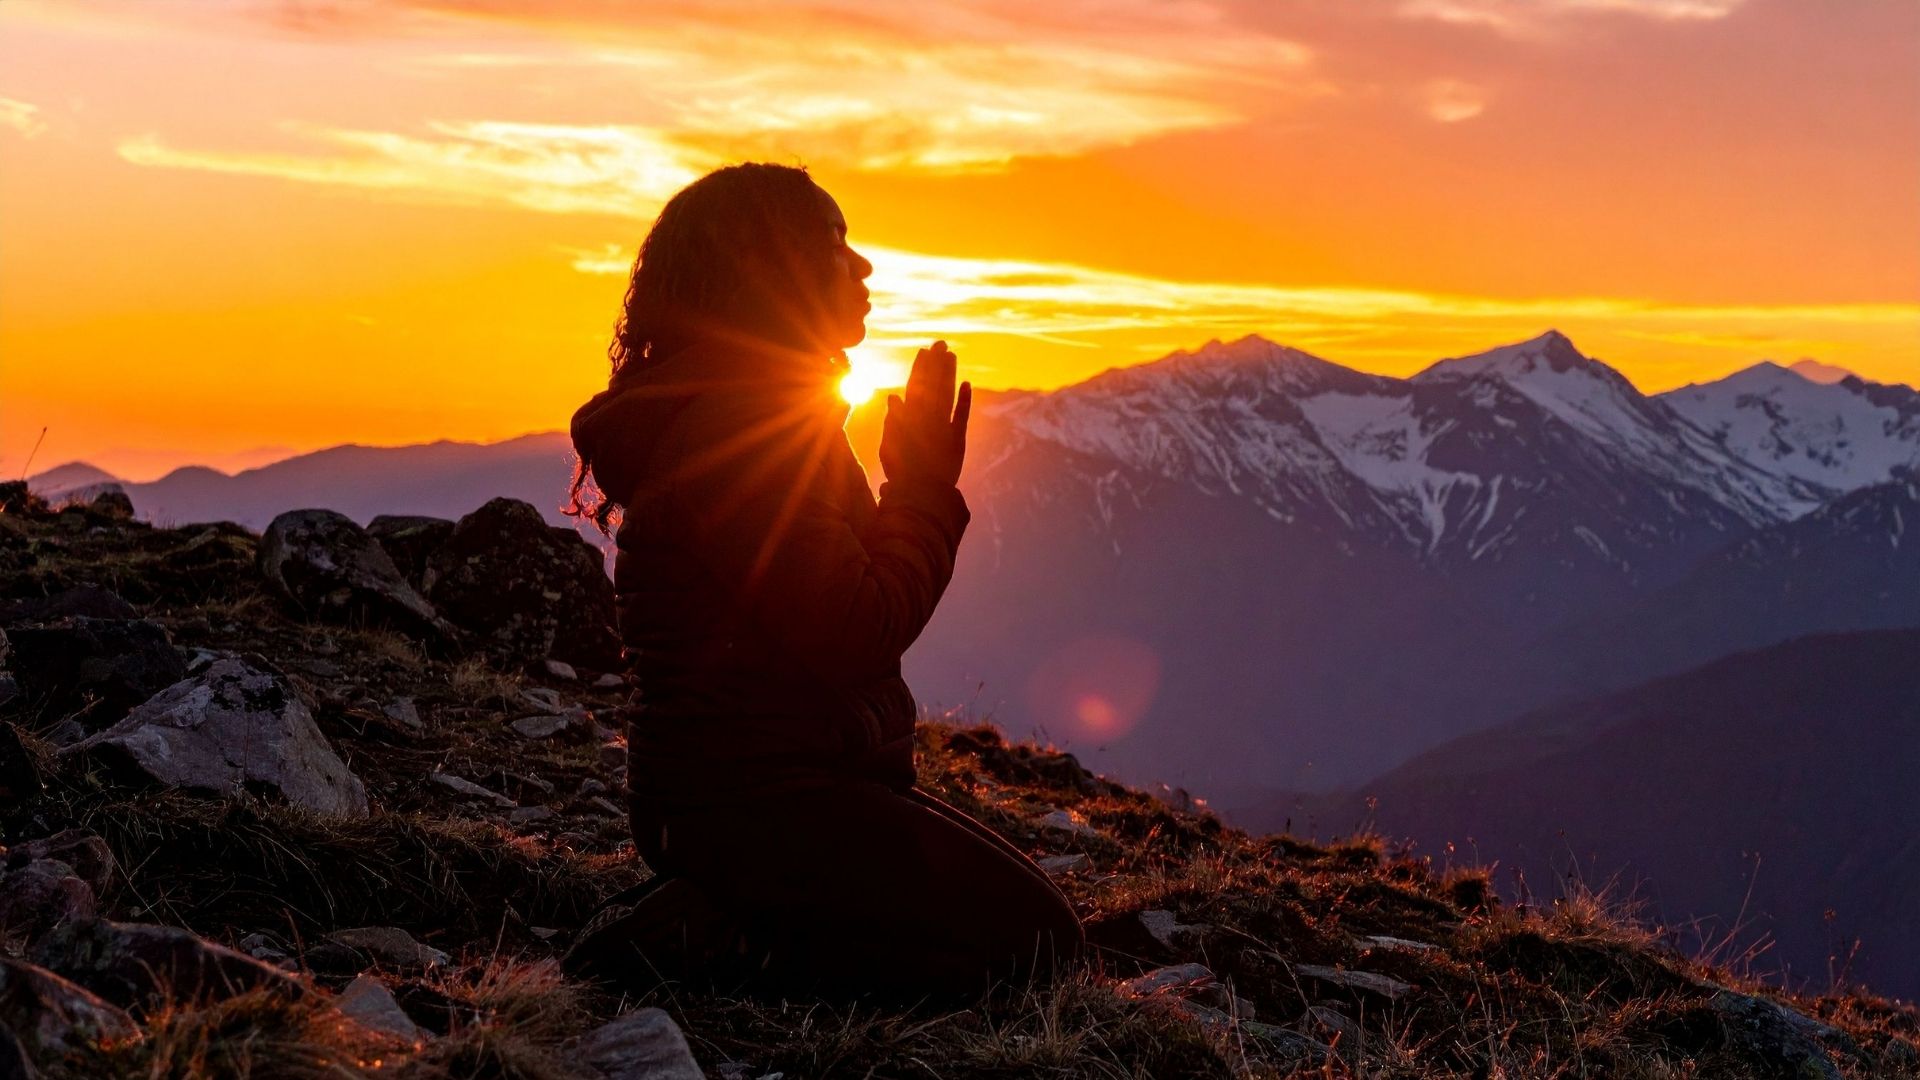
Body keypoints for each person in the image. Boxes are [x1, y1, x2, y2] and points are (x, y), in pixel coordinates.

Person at [563, 162, 1086, 1008]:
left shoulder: (755, 413)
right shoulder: (745, 432)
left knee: (1035, 930)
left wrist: (906, 487)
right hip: (751, 807)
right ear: (773, 274)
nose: (864, 267)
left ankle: (728, 914)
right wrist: (918, 491)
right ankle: (706, 942)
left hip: (759, 793)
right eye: (834, 243)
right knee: (1039, 952)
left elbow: (828, 605)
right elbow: (858, 625)